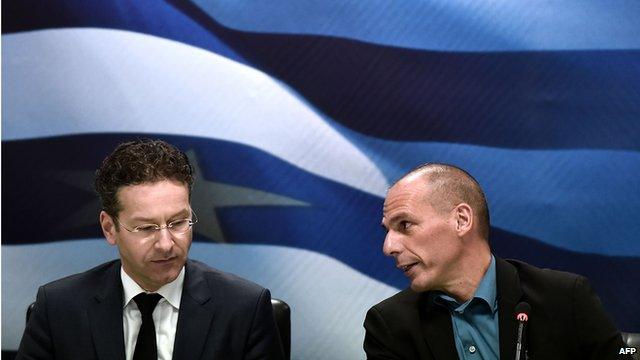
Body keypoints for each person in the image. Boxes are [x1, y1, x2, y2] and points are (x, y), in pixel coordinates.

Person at [17, 139, 285, 360]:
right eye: (146, 228)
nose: (167, 244)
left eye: (178, 222)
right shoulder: (58, 308)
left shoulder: (245, 309)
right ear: (110, 228)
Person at [363, 163, 630, 360]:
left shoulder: (564, 297)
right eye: (387, 230)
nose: (389, 247)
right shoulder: (389, 325)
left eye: (405, 225)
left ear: (462, 220)